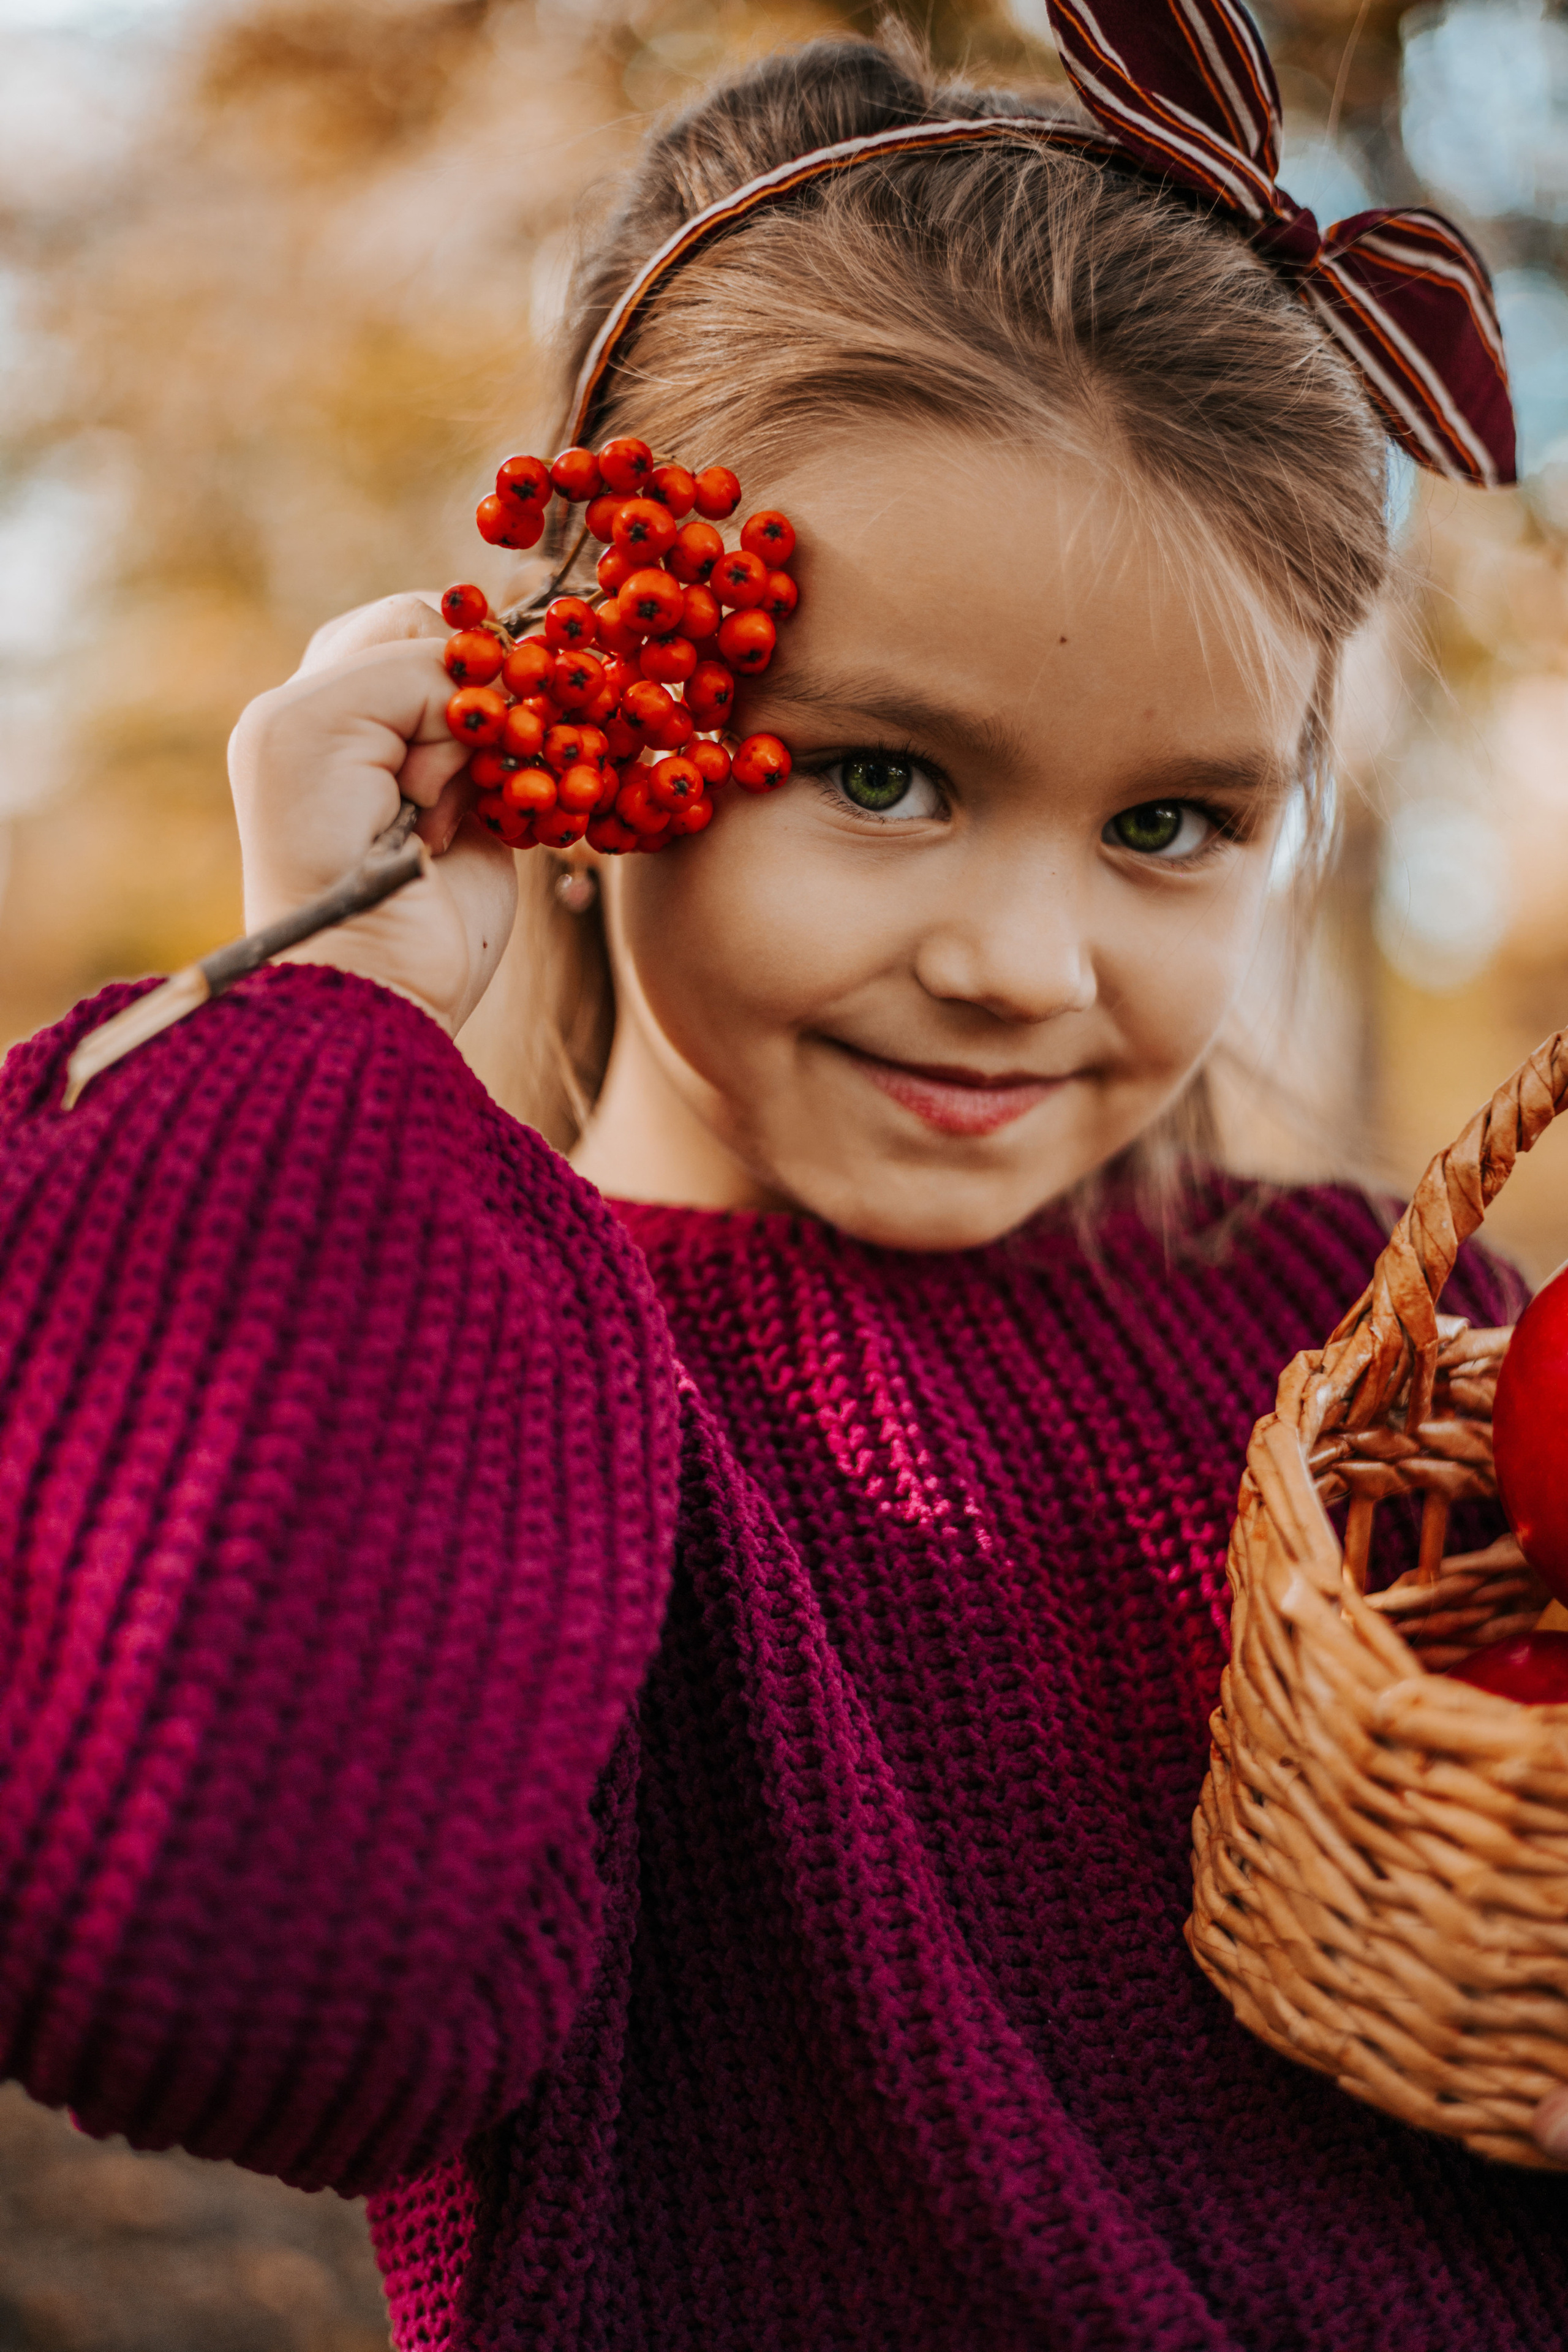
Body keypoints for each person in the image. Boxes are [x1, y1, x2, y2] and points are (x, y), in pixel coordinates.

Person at [2, 4, 1563, 2346]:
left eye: (1169, 824)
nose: (1021, 964)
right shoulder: (477, 1360)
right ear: (582, 682)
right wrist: (334, 1005)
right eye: (884, 774)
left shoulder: (1349, 1339)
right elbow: (198, 1956)